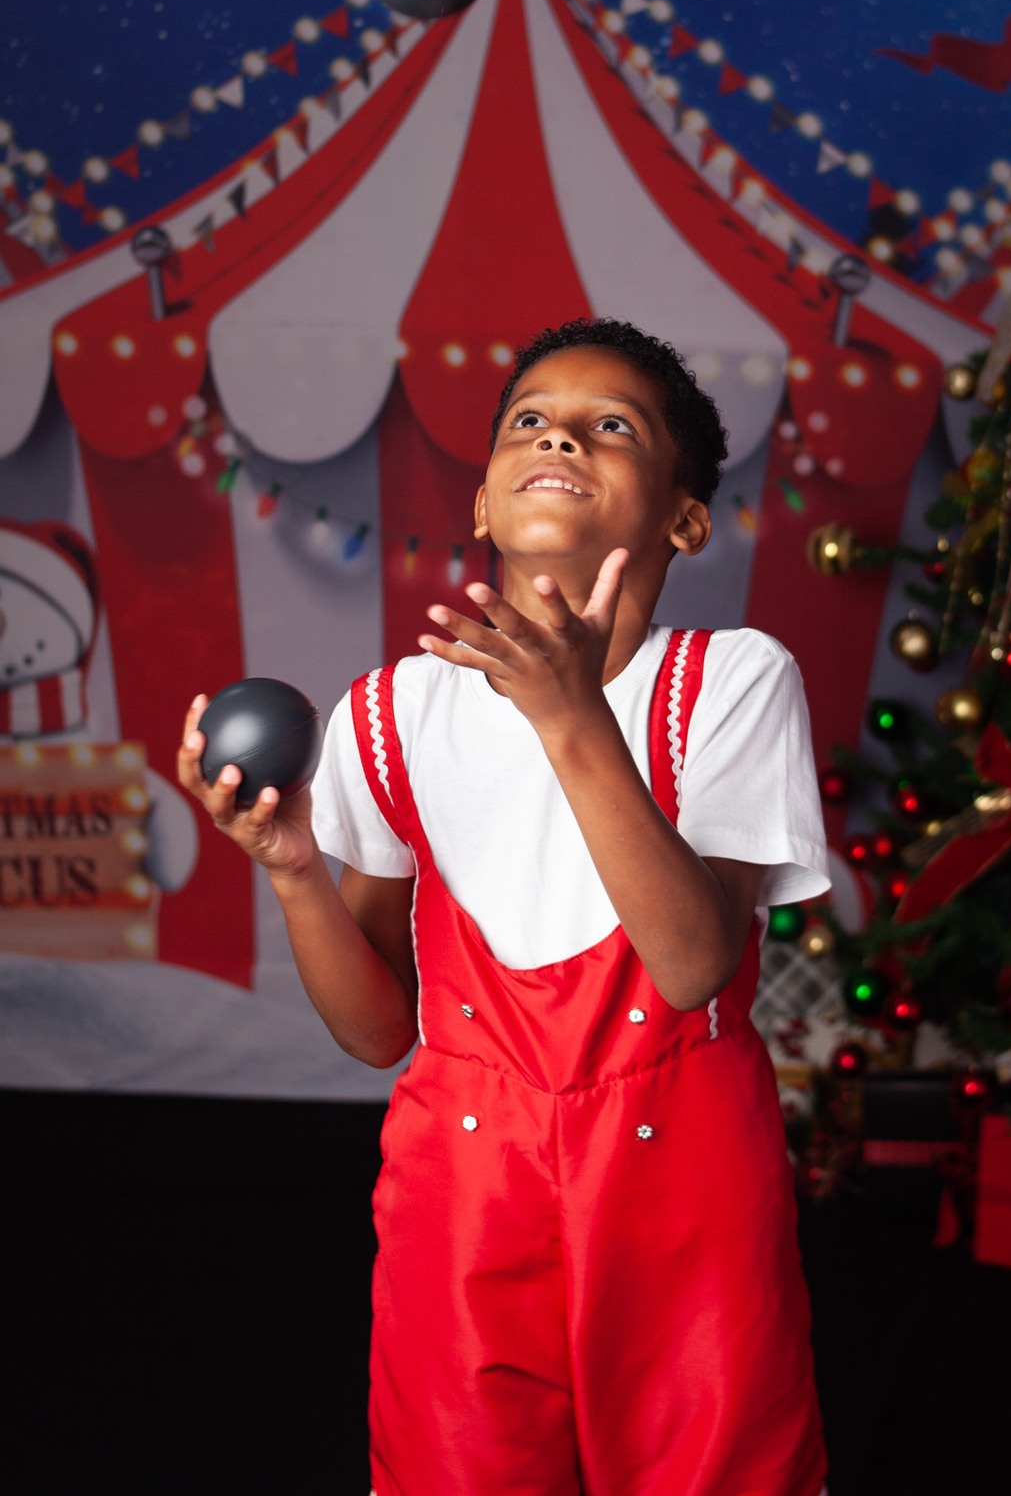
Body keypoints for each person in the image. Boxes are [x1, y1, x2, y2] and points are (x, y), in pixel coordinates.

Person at [178, 317, 829, 1496]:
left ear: (684, 518)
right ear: (483, 500)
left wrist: (574, 715)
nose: (561, 435)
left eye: (612, 426)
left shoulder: (730, 679)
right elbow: (382, 1028)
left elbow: (691, 965)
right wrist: (289, 868)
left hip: (684, 1183)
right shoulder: (393, 710)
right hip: (462, 1188)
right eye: (529, 419)